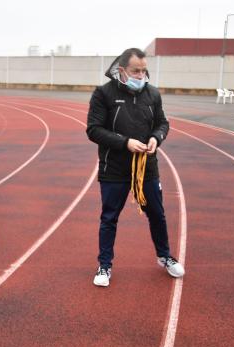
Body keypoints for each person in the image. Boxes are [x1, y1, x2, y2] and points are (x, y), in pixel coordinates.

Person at [86, 47, 184, 287]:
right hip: (115, 169)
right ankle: (104, 265)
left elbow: (162, 123)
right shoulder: (103, 94)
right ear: (122, 70)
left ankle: (164, 256)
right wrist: (125, 143)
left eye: (143, 71)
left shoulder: (152, 94)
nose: (141, 76)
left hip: (146, 168)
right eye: (135, 71)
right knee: (109, 217)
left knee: (157, 215)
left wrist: (156, 138)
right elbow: (94, 129)